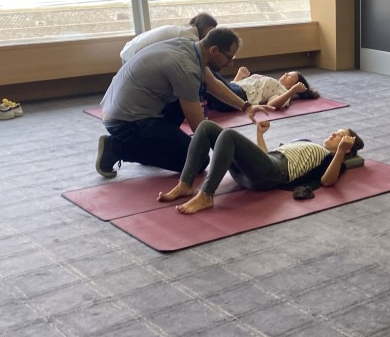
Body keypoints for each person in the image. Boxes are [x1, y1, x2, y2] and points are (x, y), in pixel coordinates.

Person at [96, 27, 269, 177]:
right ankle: (116, 148)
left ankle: (150, 145)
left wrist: (246, 106)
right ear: (214, 50)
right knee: (199, 161)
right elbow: (200, 129)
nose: (231, 64)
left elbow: (214, 85)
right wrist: (237, 154)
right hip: (124, 122)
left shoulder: (191, 47)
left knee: (189, 98)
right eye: (229, 57)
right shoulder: (186, 68)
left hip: (123, 109)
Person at [157, 119, 364, 214]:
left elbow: (327, 181)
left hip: (274, 173)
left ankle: (206, 195)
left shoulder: (330, 158)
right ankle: (185, 184)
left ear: (347, 147)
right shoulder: (307, 141)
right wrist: (260, 135)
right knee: (206, 126)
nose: (334, 134)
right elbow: (266, 156)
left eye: (340, 135)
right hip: (261, 167)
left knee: (228, 134)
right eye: (336, 131)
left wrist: (340, 152)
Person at [119, 13, 217, 64]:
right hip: (132, 58)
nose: (212, 36)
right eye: (211, 31)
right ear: (204, 28)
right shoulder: (190, 38)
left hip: (128, 52)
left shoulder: (183, 30)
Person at [230, 68, 320, 109]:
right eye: (287, 73)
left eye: (290, 76)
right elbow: (235, 85)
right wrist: (239, 75)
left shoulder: (283, 91)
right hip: (233, 87)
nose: (285, 74)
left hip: (241, 94)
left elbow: (271, 104)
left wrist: (292, 91)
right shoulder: (276, 83)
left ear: (294, 85)